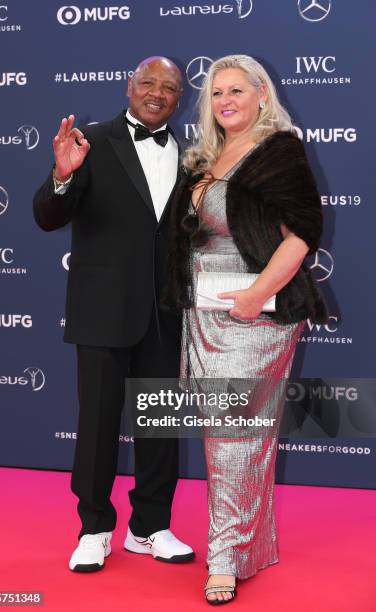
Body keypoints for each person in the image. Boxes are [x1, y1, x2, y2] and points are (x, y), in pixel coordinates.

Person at [164, 55, 327, 604]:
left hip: (256, 314)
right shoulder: (205, 156)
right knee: (236, 437)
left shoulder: (278, 150)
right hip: (201, 313)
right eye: (215, 93)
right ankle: (252, 547)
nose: (225, 100)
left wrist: (256, 297)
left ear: (263, 94)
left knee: (234, 437)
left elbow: (302, 233)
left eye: (237, 90)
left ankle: (224, 558)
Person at [33, 56, 195, 572]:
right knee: (99, 423)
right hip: (102, 309)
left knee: (159, 424)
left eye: (168, 87)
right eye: (147, 82)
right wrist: (61, 175)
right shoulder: (90, 142)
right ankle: (95, 527)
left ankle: (151, 526)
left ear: (179, 97)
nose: (156, 92)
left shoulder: (192, 156)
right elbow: (47, 216)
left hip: (165, 311)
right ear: (129, 87)